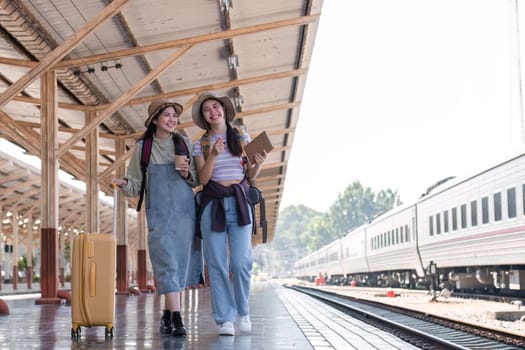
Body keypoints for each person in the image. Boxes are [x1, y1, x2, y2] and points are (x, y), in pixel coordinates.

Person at [112, 99, 200, 337]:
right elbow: (136, 183)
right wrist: (124, 183)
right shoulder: (144, 148)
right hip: (159, 214)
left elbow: (196, 179)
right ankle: (178, 318)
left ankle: (168, 313)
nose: (172, 119)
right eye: (167, 115)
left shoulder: (184, 142)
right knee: (166, 262)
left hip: (184, 213)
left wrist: (185, 171)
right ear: (155, 120)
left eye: (175, 115)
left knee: (179, 264)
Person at [191, 92, 266, 336]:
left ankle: (243, 312)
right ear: (203, 117)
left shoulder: (241, 136)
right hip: (212, 204)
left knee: (240, 261)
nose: (213, 111)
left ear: (223, 109)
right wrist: (212, 154)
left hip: (240, 201)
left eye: (216, 107)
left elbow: (250, 175)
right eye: (207, 110)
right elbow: (202, 179)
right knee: (216, 264)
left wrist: (259, 162)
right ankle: (224, 319)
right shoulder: (200, 144)